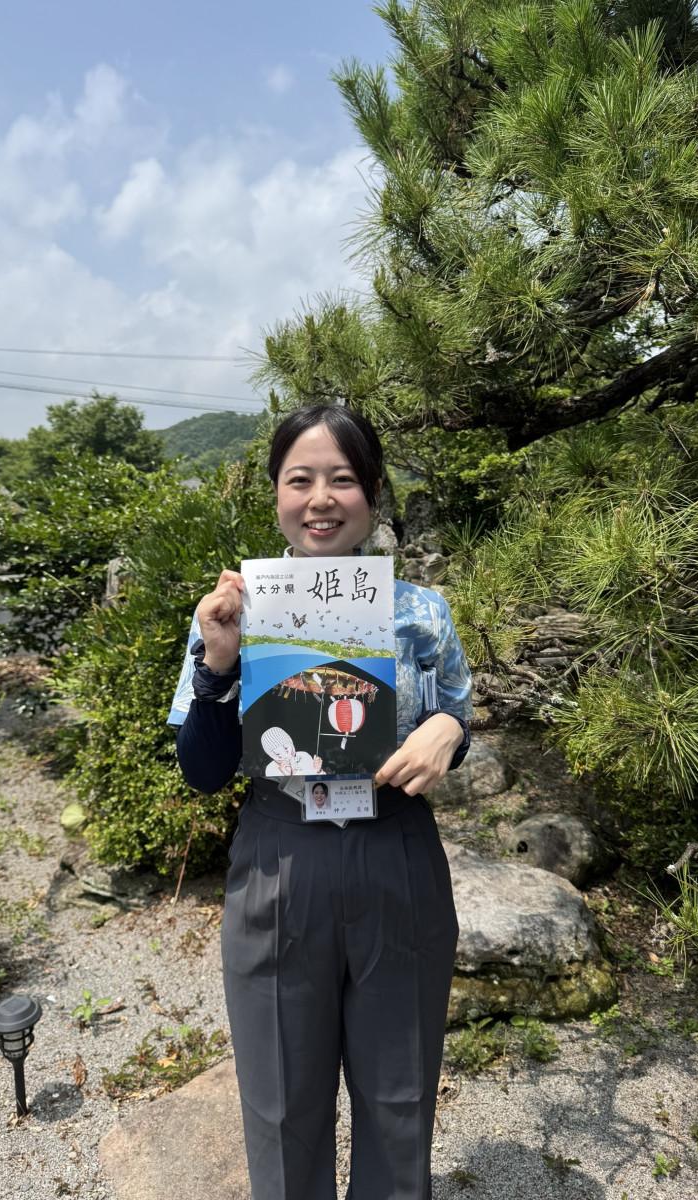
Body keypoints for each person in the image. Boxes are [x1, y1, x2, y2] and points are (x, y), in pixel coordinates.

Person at [169, 404, 472, 1200]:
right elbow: (203, 771)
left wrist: (448, 728)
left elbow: (456, 716)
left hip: (394, 854)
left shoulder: (421, 612)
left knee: (400, 1100)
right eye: (300, 479)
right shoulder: (233, 614)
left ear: (373, 493)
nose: (321, 498)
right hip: (280, 856)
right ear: (275, 495)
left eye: (343, 478)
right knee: (280, 1106)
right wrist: (219, 663)